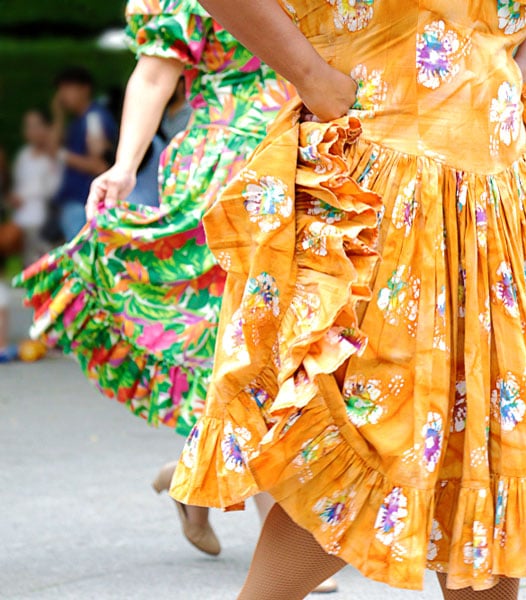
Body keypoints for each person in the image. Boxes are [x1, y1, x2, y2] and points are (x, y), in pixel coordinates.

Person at [168, 0, 526, 598]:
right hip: (384, 192)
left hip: (501, 196)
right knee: (371, 438)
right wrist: (309, 74)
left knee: (490, 444)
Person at [13, 4, 345, 591]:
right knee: (252, 345)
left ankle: (197, 475)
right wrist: (122, 166)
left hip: (312, 160)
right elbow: (154, 70)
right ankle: (270, 531)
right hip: (226, 175)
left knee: (297, 345)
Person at [50, 67, 117, 241]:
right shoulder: (78, 121)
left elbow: (99, 165)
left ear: (85, 89)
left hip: (83, 203)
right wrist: (58, 113)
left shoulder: (94, 118)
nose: (62, 95)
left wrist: (62, 156)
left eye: (67, 88)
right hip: (75, 203)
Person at [10, 109, 64, 264]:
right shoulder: (23, 156)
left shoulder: (54, 157)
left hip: (43, 217)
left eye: (36, 126)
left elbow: (54, 188)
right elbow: (18, 186)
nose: (32, 131)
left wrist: (25, 195)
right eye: (28, 126)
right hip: (20, 217)